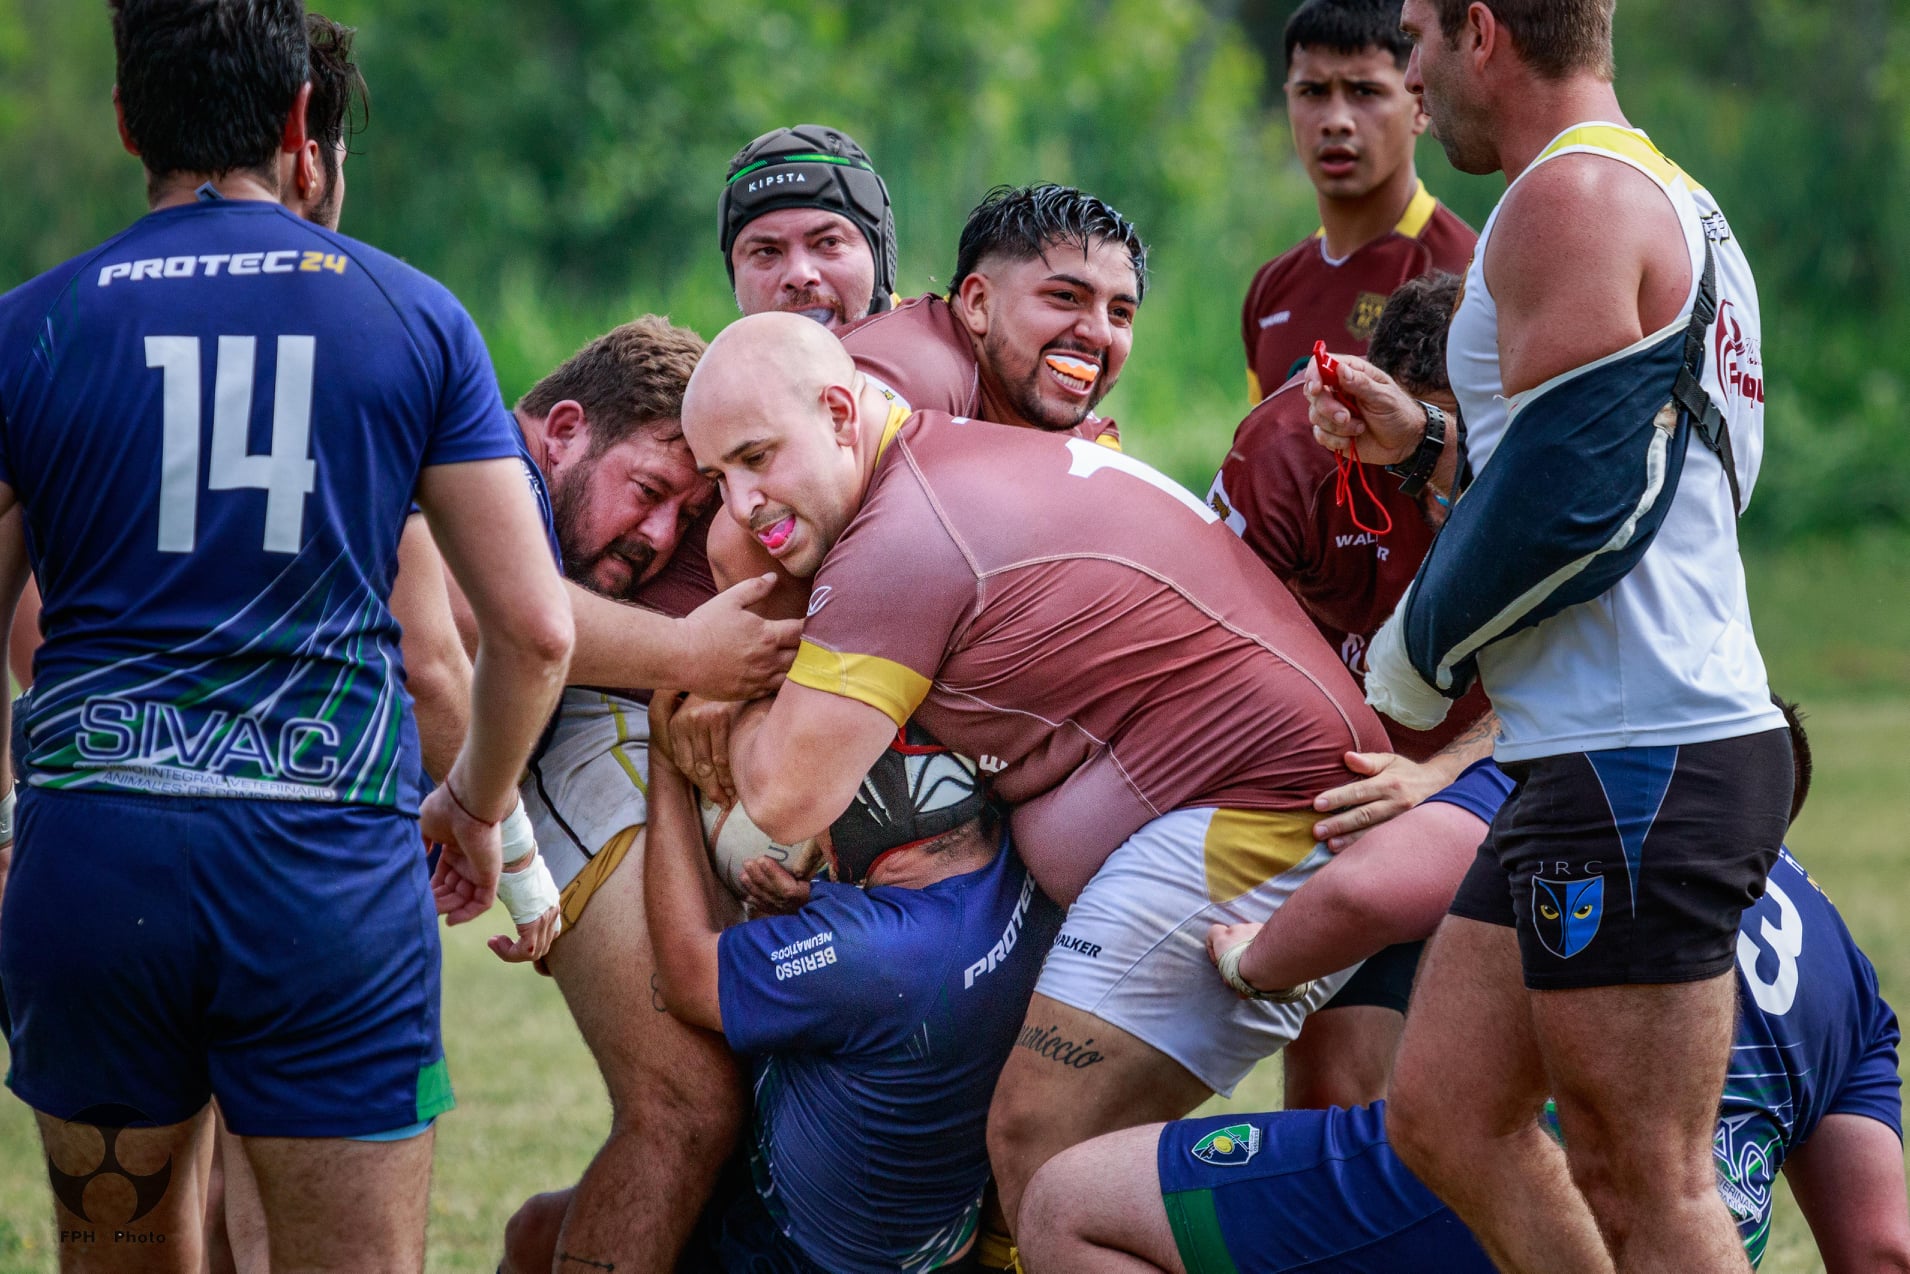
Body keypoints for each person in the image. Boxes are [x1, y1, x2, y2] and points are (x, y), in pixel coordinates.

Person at [0, 4, 573, 1271]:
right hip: (323, 873)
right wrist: (476, 808)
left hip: (91, 864)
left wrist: (6, 816)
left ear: (124, 123)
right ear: (300, 124)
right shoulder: (412, 318)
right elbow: (532, 629)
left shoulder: (26, 325)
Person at [673, 312, 1386, 1238]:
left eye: (758, 457)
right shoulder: (938, 465)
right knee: (1046, 1175)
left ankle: (1353, 1226)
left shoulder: (903, 535)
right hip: (1263, 798)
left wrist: (710, 693)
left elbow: (783, 793)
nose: (741, 503)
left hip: (1271, 811)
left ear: (842, 413)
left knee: (1042, 1147)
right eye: (717, 478)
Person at [1306, 2, 1788, 1268]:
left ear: (1480, 31)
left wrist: (1405, 659)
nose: (1403, 69)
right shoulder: (1658, 190)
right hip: (1584, 746)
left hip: (1641, 750)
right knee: (1448, 1114)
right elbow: (1625, 472)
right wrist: (1418, 447)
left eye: (1412, 33)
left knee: (1644, 1182)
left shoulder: (1563, 197)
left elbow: (1573, 511)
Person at [1016, 707, 1910, 1274]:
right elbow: (1880, 1249)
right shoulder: (1846, 968)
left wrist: (1259, 962)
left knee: (1073, 1204)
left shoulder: (1601, 748)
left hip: (1499, 1191)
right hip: (1691, 1236)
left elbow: (1377, 889)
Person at [1209, 271, 1504, 1109]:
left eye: (1446, 432)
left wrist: (1438, 778)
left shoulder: (1527, 460)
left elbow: (1568, 682)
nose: (1417, 452)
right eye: (1405, 424)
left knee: (1455, 1095)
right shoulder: (1287, 447)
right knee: (1330, 1088)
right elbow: (1209, 643)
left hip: (1471, 780)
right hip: (1312, 781)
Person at [646, 711, 1061, 1273]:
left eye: (814, 808)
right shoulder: (1016, 860)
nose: (804, 830)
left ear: (866, 810)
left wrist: (666, 764)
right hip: (925, 1241)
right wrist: (818, 908)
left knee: (553, 1230)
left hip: (802, 1252)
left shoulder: (876, 956)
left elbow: (685, 976)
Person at [1240, 0, 1473, 403]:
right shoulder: (1270, 289)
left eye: (1364, 91)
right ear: (1288, 101)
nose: (1335, 120)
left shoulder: (1468, 271)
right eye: (1312, 91)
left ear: (1420, 104)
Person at [720, 123, 899, 330]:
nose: (799, 276)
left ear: (883, 258)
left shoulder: (938, 356)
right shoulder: (705, 362)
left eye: (829, 242)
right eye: (767, 251)